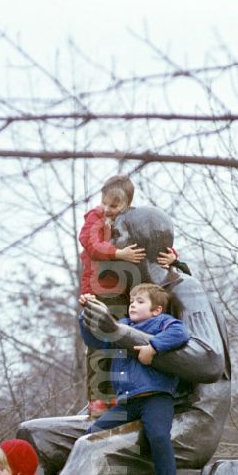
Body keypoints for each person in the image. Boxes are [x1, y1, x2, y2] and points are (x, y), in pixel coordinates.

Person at [0, 205, 230, 475]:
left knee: (92, 449)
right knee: (33, 437)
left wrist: (126, 336)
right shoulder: (133, 297)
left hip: (188, 421)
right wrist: (97, 327)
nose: (109, 245)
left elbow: (210, 361)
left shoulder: (184, 291)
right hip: (140, 406)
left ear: (142, 247)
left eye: (119, 236)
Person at [78, 176, 189, 416]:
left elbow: (152, 239)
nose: (108, 209)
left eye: (115, 206)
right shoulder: (96, 217)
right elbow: (90, 243)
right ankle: (98, 397)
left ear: (127, 203)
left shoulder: (128, 219)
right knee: (101, 338)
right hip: (99, 288)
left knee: (123, 338)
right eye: (105, 203)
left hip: (122, 289)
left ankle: (123, 391)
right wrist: (118, 252)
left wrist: (173, 257)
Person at [79, 282, 190, 475]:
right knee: (91, 437)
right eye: (131, 301)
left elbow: (181, 333)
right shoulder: (122, 327)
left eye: (140, 302)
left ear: (156, 310)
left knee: (159, 436)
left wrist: (154, 346)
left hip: (156, 397)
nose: (133, 306)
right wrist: (86, 315)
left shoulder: (163, 324)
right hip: (128, 402)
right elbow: (97, 341)